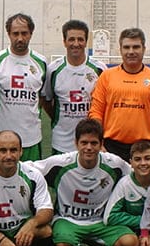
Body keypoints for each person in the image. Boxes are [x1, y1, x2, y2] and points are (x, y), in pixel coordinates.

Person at [25, 118, 131, 246]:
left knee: (130, 244)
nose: (89, 147)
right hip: (68, 220)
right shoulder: (60, 163)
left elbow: (135, 177)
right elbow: (27, 169)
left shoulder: (114, 164)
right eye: (84, 142)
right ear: (76, 143)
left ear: (101, 144)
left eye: (94, 143)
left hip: (101, 221)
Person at [89, 27, 150, 161]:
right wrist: (99, 142)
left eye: (136, 47)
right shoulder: (107, 76)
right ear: (120, 50)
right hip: (111, 147)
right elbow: (96, 112)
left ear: (144, 49)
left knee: (142, 183)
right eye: (126, 47)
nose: (131, 51)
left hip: (144, 148)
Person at [0, 13, 47, 161]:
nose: (20, 38)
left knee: (30, 181)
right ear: (8, 34)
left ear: (31, 34)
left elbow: (43, 98)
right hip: (0, 138)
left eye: (24, 33)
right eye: (15, 33)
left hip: (31, 139)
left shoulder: (42, 62)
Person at [43, 20, 105, 154]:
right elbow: (46, 100)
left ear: (86, 42)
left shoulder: (100, 69)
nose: (76, 44)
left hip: (91, 142)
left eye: (80, 39)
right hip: (61, 142)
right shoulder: (53, 70)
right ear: (64, 41)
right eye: (71, 39)